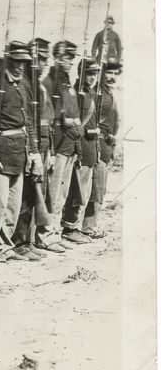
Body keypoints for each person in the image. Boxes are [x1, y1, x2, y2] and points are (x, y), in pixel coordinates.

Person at [0, 41, 42, 262]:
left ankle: (6, 245)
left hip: (20, 152)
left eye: (24, 63)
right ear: (8, 61)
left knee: (13, 205)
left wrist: (34, 154)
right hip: (2, 151)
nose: (19, 67)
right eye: (16, 62)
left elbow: (29, 122)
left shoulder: (23, 86)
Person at [11, 38, 63, 259]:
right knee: (25, 195)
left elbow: (47, 123)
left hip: (42, 145)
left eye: (44, 59)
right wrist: (33, 151)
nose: (42, 64)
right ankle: (20, 241)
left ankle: (30, 240)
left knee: (36, 196)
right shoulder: (23, 85)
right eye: (39, 59)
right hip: (28, 148)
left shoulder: (38, 85)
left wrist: (48, 150)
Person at [43, 40, 82, 249]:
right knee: (52, 191)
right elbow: (49, 118)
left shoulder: (68, 83)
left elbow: (73, 112)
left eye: (70, 58)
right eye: (65, 57)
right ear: (56, 57)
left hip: (69, 145)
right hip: (57, 145)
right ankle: (46, 234)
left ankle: (56, 231)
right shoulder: (49, 82)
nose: (69, 62)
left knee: (63, 192)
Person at [61, 57, 102, 242]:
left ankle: (74, 225)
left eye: (95, 74)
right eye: (89, 73)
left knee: (84, 189)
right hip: (82, 146)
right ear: (81, 74)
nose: (92, 77)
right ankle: (70, 228)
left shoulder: (90, 92)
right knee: (76, 190)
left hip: (91, 147)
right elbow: (74, 122)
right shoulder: (78, 93)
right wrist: (90, 132)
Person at [81, 58, 121, 237]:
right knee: (96, 187)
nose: (112, 77)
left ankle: (90, 225)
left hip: (106, 145)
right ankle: (88, 227)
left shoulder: (109, 93)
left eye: (115, 73)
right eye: (109, 73)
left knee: (100, 187)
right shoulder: (100, 95)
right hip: (97, 143)